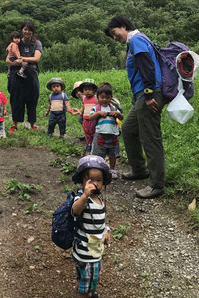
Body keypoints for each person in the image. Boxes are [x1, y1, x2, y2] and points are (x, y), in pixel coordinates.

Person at [104, 15, 165, 199]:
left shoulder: (137, 40)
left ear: (124, 26)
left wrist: (148, 93)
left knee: (150, 138)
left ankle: (156, 185)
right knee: (129, 129)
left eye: (115, 33)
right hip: (141, 96)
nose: (115, 38)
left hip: (149, 94)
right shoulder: (135, 42)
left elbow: (147, 66)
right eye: (112, 36)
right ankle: (139, 169)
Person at [71, 155, 112, 298]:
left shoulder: (99, 198)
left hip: (92, 250)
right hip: (87, 255)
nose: (95, 184)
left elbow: (100, 221)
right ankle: (86, 293)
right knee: (90, 277)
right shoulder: (82, 198)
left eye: (99, 180)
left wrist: (106, 231)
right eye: (90, 180)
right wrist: (84, 197)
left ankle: (88, 292)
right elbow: (75, 210)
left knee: (85, 278)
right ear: (82, 181)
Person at [6, 21, 42, 133]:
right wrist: (15, 63)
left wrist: (22, 59)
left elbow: (36, 58)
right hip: (16, 73)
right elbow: (8, 59)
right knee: (16, 99)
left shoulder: (36, 43)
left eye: (29, 30)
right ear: (22, 30)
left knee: (32, 98)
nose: (27, 32)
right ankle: (15, 124)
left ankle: (32, 124)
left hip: (31, 73)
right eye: (25, 29)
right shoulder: (16, 43)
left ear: (33, 31)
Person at [88, 83, 124, 180]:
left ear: (110, 98)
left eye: (107, 97)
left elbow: (122, 117)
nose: (104, 100)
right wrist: (98, 114)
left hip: (113, 136)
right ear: (98, 97)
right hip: (100, 135)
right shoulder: (96, 108)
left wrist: (117, 113)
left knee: (113, 154)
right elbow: (90, 118)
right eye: (102, 97)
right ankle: (99, 169)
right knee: (99, 154)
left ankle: (112, 169)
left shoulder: (113, 108)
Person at [78, 79, 98, 153]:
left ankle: (94, 145)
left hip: (94, 120)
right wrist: (81, 112)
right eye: (85, 89)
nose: (87, 91)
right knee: (87, 133)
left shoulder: (96, 98)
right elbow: (83, 107)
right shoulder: (84, 98)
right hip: (85, 120)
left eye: (89, 89)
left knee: (94, 133)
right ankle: (88, 144)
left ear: (94, 90)